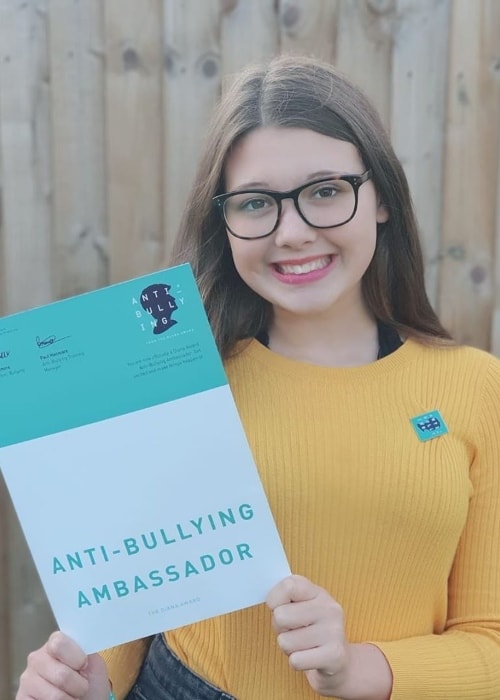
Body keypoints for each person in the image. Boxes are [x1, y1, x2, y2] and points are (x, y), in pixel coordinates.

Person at [16, 54, 500, 700]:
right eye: (255, 203)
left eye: (325, 191)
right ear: (224, 221)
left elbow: (491, 644)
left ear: (380, 197)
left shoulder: (476, 389)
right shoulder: (177, 381)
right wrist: (83, 682)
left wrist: (358, 669)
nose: (292, 233)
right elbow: (128, 615)